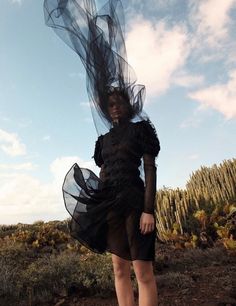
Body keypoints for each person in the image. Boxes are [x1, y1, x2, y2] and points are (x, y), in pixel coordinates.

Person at [44, 1, 160, 305]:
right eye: (110, 104)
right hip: (111, 206)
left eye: (119, 101)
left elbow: (149, 170)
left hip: (136, 204)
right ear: (106, 110)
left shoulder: (141, 130)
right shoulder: (104, 139)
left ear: (128, 103)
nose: (115, 106)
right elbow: (105, 169)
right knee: (119, 269)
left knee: (143, 271)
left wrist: (149, 209)